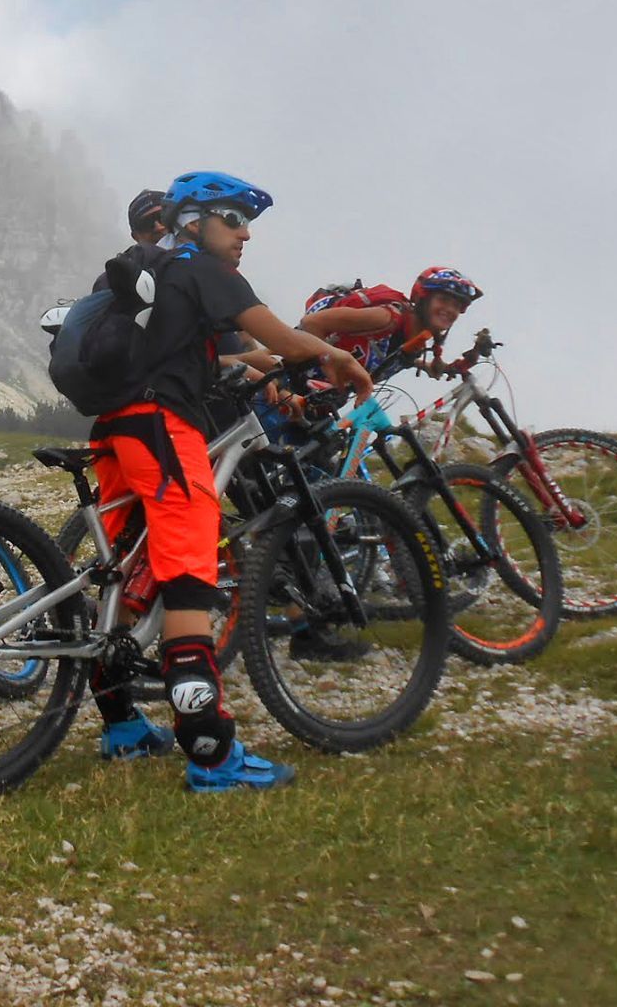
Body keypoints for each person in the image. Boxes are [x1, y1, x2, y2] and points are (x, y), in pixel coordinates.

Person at [88, 170, 373, 791]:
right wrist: (339, 357)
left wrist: (253, 364)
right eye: (233, 219)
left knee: (123, 581)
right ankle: (211, 753)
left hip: (117, 430)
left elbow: (203, 352)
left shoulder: (153, 272)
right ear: (195, 221)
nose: (245, 234)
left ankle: (122, 726)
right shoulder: (202, 269)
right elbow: (284, 337)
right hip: (164, 429)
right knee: (188, 579)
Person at [297, 266, 485, 383]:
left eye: (456, 305)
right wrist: (328, 368)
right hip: (285, 388)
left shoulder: (416, 341)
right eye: (443, 299)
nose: (450, 310)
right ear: (422, 298)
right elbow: (311, 323)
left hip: (314, 409)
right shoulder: (386, 318)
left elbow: (396, 358)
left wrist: (435, 366)